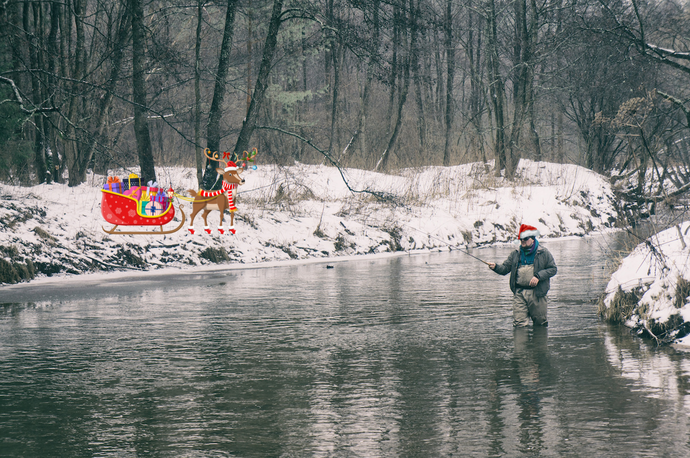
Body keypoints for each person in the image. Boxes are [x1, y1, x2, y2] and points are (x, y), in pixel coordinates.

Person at [488, 224, 557, 327]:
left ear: (533, 239)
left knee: (540, 324)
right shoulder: (515, 254)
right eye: (521, 239)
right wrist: (496, 267)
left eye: (525, 239)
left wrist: (538, 276)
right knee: (519, 325)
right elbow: (505, 269)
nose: (522, 241)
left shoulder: (544, 253)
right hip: (519, 293)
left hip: (537, 294)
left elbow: (553, 269)